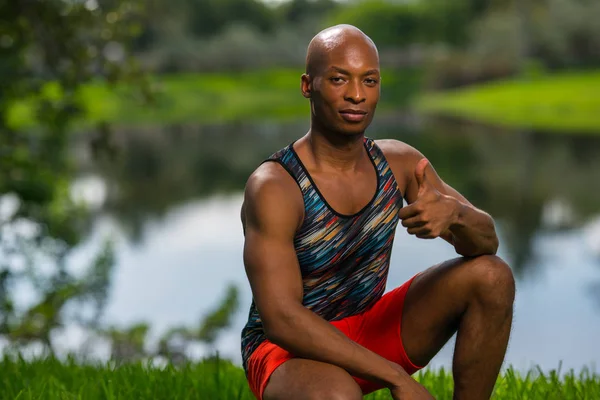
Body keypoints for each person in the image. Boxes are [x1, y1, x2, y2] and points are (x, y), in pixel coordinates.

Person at [240, 24, 515, 400]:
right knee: (336, 394)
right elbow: (281, 321)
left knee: (492, 277)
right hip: (286, 351)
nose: (357, 95)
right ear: (308, 85)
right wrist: (397, 379)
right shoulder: (276, 186)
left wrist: (455, 216)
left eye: (369, 81)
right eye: (339, 79)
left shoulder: (400, 162)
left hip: (367, 328)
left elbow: (488, 243)